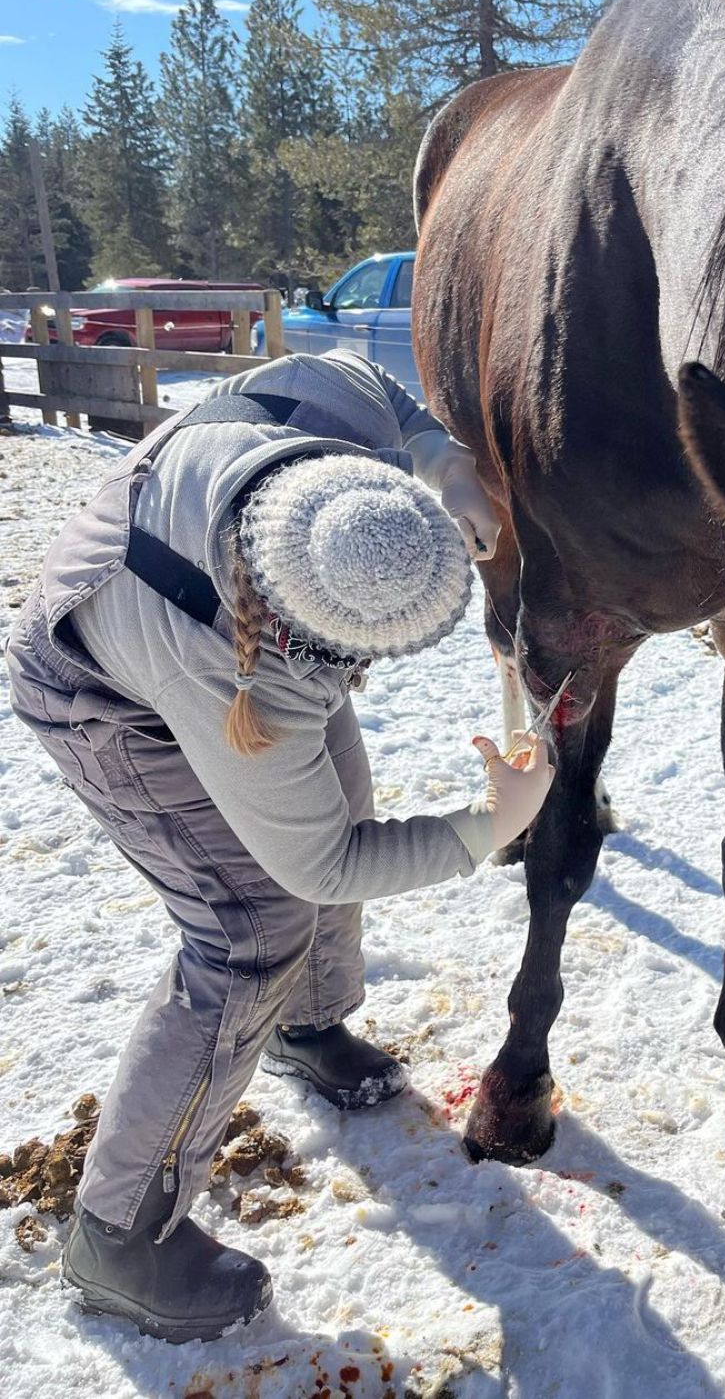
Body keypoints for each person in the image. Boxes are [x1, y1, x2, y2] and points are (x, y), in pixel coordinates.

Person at [4, 348, 555, 1344]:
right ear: (317, 642)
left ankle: (307, 1027)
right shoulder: (242, 674)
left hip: (195, 602)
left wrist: (443, 460)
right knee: (250, 929)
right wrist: (493, 827)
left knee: (336, 788)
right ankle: (119, 1238)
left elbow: (371, 379)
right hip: (98, 689)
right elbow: (324, 863)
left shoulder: (320, 427)